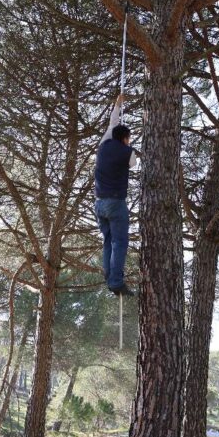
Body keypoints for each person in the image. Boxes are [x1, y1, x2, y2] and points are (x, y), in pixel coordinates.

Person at [95, 93, 137, 296]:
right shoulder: (128, 152)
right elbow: (133, 164)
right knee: (119, 242)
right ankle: (116, 281)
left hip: (99, 204)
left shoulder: (104, 143)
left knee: (108, 241)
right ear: (125, 138)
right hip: (115, 203)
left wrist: (118, 105)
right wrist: (127, 149)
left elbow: (113, 123)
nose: (129, 142)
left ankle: (109, 276)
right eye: (128, 139)